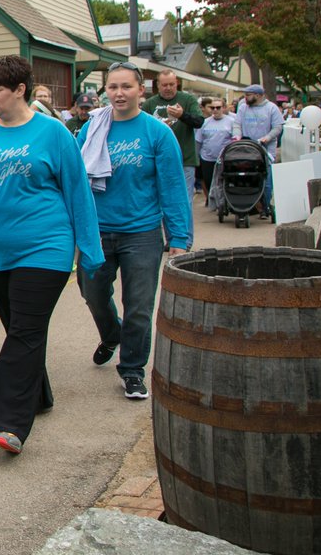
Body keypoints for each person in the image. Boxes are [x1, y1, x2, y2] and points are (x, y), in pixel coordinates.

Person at [0, 55, 103, 456]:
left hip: (45, 246)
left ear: (20, 90)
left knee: (24, 332)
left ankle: (11, 424)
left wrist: (90, 250)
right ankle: (40, 395)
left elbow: (77, 192)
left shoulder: (53, 133)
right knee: (21, 328)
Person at [76, 63, 191, 401]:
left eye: (126, 86)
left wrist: (179, 239)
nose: (119, 93)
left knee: (139, 305)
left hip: (142, 233)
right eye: (113, 87)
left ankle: (132, 370)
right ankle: (113, 334)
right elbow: (76, 183)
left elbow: (172, 188)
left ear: (142, 90)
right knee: (92, 293)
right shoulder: (92, 130)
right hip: (97, 231)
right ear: (105, 91)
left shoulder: (157, 133)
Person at [142, 70, 204, 199]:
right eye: (164, 85)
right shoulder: (149, 104)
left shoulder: (187, 99)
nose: (168, 88)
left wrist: (182, 115)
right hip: (159, 160)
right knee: (161, 199)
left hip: (185, 160)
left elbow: (199, 122)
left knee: (184, 200)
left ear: (177, 84)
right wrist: (160, 128)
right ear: (158, 85)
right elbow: (142, 131)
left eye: (172, 84)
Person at [234, 84, 284, 218]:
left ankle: (266, 207)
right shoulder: (243, 107)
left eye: (248, 95)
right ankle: (249, 206)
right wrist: (237, 135)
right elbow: (237, 123)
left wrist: (267, 138)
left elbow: (278, 127)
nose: (245, 97)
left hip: (265, 149)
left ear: (257, 95)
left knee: (266, 180)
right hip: (247, 148)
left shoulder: (271, 108)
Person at [195, 98, 236, 208]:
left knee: (225, 182)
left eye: (218, 107)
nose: (215, 110)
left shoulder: (231, 121)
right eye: (213, 108)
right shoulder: (205, 122)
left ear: (223, 108)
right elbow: (198, 141)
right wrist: (196, 157)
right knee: (209, 181)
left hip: (225, 159)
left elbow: (236, 139)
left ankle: (226, 202)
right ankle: (213, 201)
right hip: (207, 158)